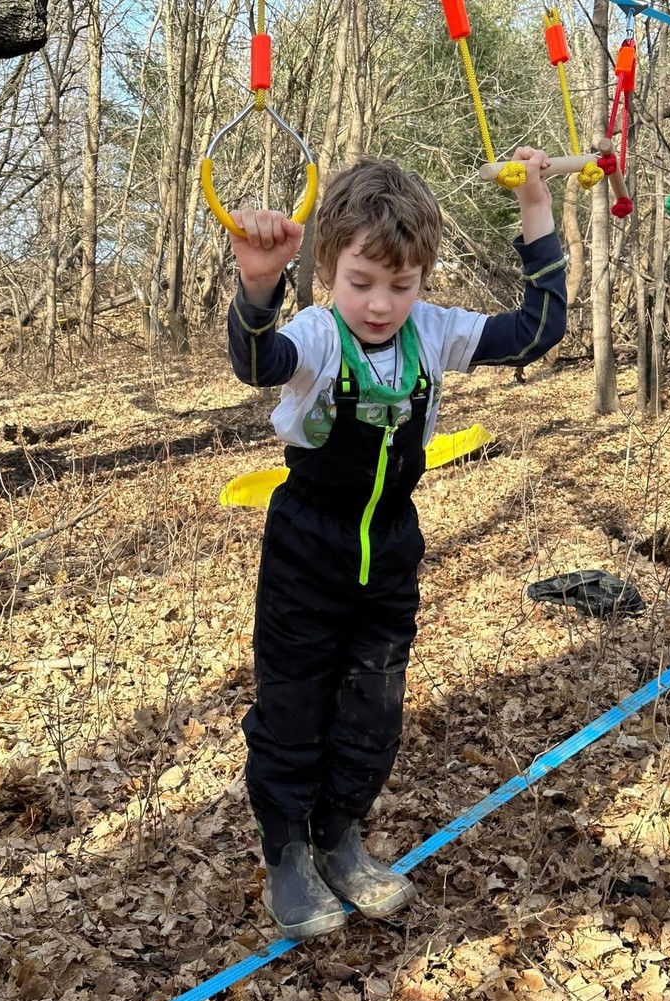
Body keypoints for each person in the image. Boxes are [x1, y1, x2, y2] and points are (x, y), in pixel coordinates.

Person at [226, 149, 567, 941]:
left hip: (391, 551)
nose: (381, 305)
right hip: (306, 552)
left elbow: (539, 329)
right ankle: (287, 857)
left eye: (401, 285)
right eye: (362, 283)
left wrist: (537, 210)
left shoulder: (435, 332)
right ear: (327, 271)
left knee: (374, 718)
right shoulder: (312, 336)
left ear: (422, 279)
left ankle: (340, 839)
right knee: (292, 713)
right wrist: (255, 286)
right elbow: (255, 361)